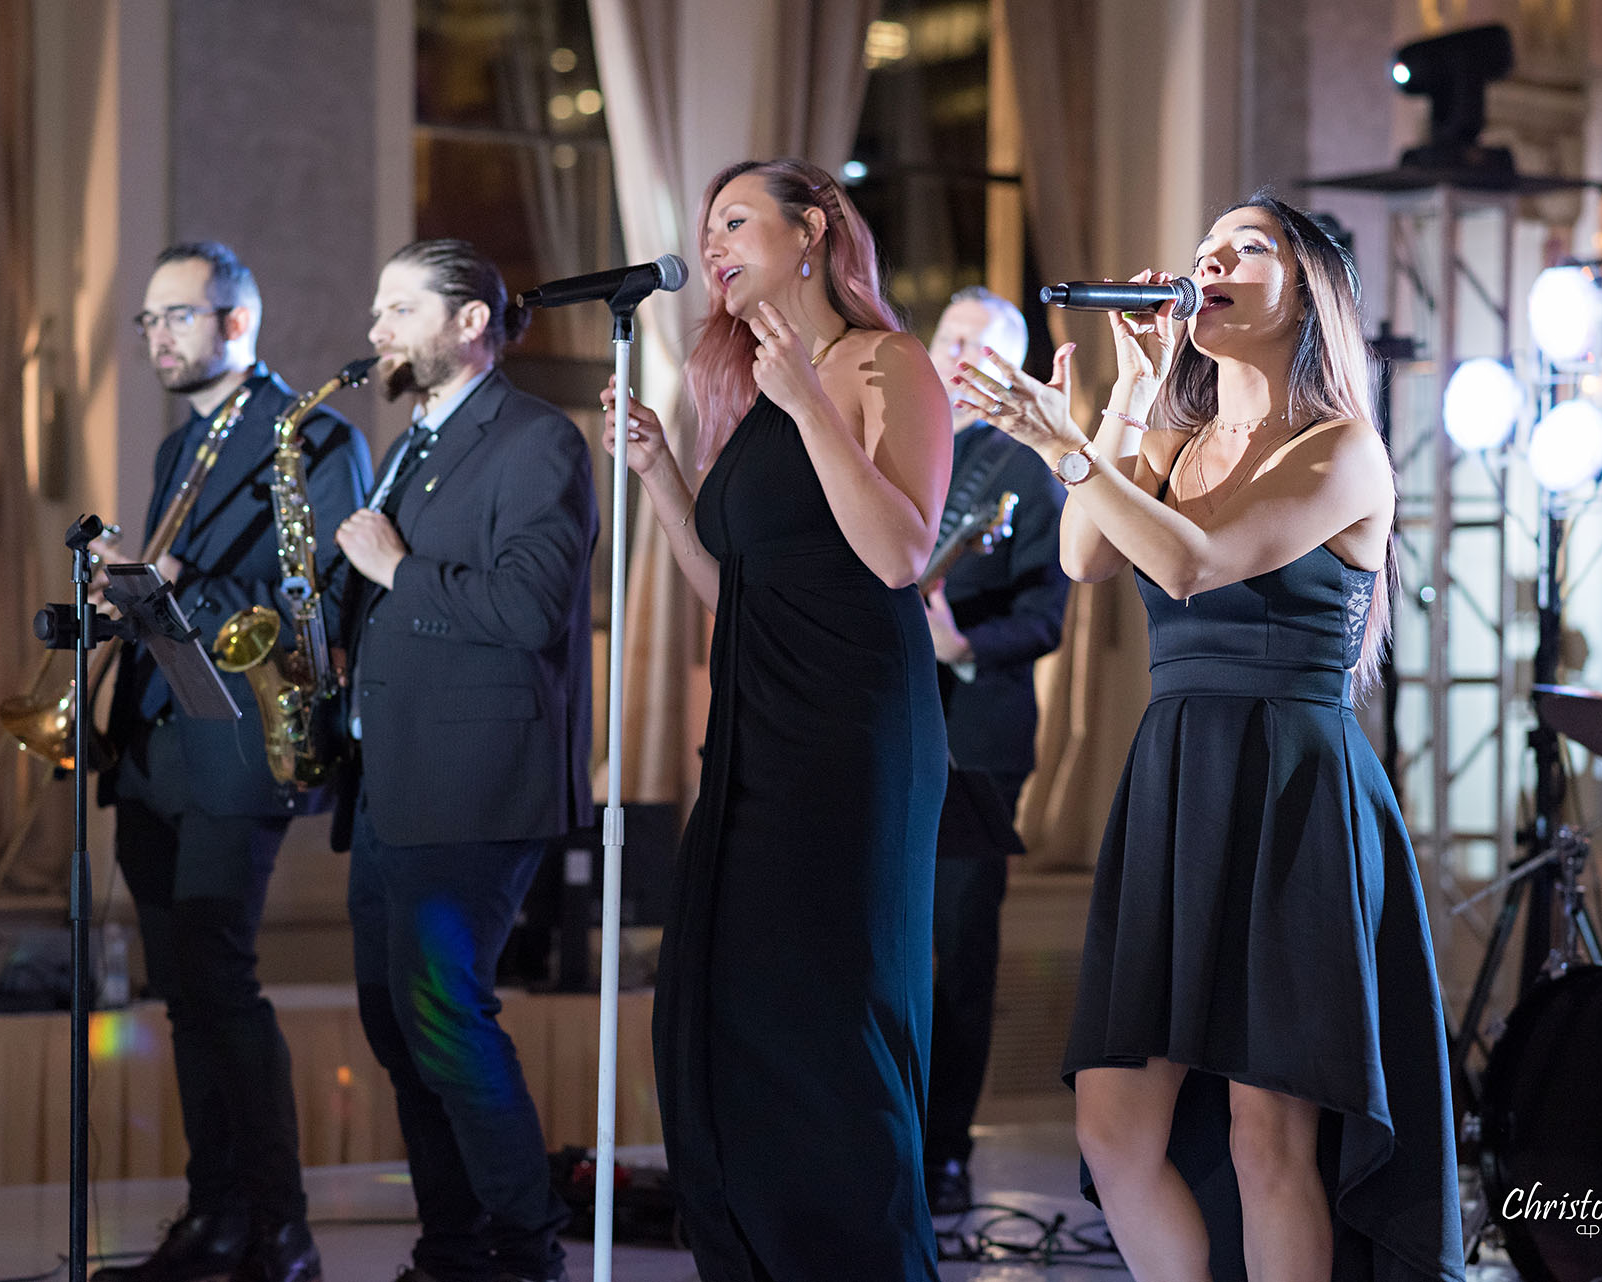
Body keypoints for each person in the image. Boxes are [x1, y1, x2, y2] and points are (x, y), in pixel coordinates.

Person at [954, 194, 1464, 1282]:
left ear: (1308, 288)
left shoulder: (1344, 451)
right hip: (1177, 778)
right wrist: (1127, 396)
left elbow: (1189, 562)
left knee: (1265, 1133)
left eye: (1246, 247)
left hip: (1290, 787)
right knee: (1114, 1121)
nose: (1211, 264)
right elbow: (1091, 558)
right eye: (1202, 251)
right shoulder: (1175, 438)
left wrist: (1066, 449)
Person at [601, 158, 952, 1281]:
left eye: (737, 220)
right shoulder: (750, 394)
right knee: (718, 1018)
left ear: (814, 231)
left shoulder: (884, 363)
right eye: (707, 229)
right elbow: (733, 591)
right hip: (756, 732)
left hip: (853, 740)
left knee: (825, 1034)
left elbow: (899, 553)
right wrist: (662, 477)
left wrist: (809, 405)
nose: (714, 243)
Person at [92, 241, 372, 1282]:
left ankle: (280, 1226)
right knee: (185, 992)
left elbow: (319, 604)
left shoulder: (316, 437)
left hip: (238, 746)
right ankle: (214, 1216)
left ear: (236, 322)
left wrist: (174, 583)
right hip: (157, 743)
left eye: (175, 316)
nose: (156, 336)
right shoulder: (181, 446)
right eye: (149, 320)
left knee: (221, 979)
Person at [336, 238, 596, 1282]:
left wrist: (395, 568)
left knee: (447, 1021)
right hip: (392, 783)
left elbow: (530, 610)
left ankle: (526, 1252)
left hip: (478, 784)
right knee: (399, 1031)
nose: (377, 330)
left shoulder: (537, 442)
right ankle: (451, 1249)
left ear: (470, 322)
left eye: (399, 308)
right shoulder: (417, 438)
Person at [918, 287, 1070, 1215]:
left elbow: (1046, 618)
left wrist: (961, 644)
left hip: (976, 736)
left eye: (977, 344)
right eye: (946, 338)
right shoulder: (901, 448)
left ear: (1008, 368)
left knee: (957, 947)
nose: (956, 354)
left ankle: (946, 1148)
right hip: (891, 723)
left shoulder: (1025, 470)